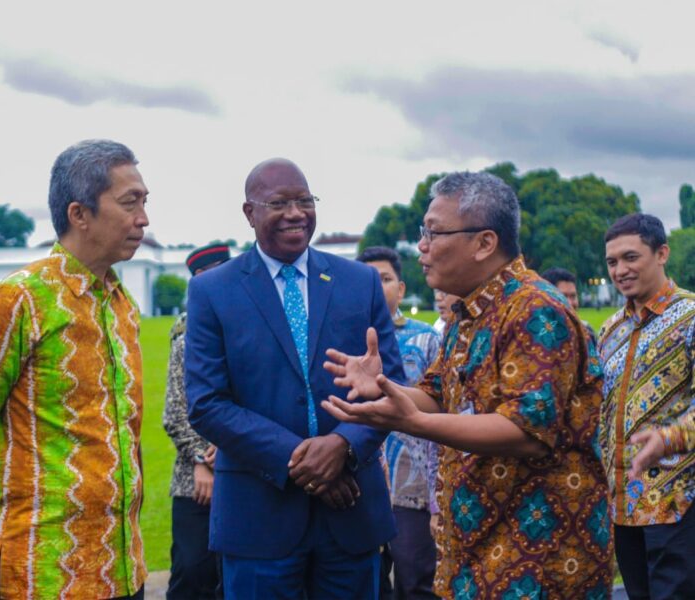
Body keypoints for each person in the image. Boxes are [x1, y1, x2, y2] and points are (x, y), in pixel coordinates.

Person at [323, 171, 612, 598]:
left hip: (538, 558)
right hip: (481, 549)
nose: (421, 246)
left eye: (434, 232)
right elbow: (439, 395)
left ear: (484, 243)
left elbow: (526, 430)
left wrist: (413, 421)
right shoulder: (470, 312)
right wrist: (385, 389)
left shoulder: (536, 310)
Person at [185, 158, 404, 599]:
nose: (295, 213)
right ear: (249, 213)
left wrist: (342, 447)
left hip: (351, 513)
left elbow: (391, 383)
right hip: (258, 516)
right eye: (279, 203)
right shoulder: (213, 290)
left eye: (305, 200)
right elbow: (206, 403)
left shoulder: (358, 281)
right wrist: (305, 462)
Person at [0, 139, 149, 599]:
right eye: (129, 202)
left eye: (144, 201)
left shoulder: (122, 305)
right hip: (37, 569)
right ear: (79, 214)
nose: (143, 218)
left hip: (120, 566)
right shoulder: (20, 299)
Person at [598, 213, 695, 598]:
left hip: (680, 501)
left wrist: (669, 438)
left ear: (662, 254)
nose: (620, 270)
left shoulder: (690, 317)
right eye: (612, 262)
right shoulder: (609, 330)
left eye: (631, 258)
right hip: (622, 505)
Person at [359, 246, 441, 600]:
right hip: (358, 482)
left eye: (385, 279)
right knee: (367, 583)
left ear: (402, 289)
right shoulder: (339, 339)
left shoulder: (427, 338)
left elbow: (445, 407)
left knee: (414, 580)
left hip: (414, 484)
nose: (376, 288)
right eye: (367, 281)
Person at [163, 242, 231, 600]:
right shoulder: (186, 337)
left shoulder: (250, 326)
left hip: (242, 466)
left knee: (236, 572)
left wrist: (229, 445)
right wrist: (204, 459)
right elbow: (176, 411)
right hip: (196, 478)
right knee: (192, 571)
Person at [541, 267, 597, 339]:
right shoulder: (536, 338)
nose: (570, 303)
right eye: (563, 297)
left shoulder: (588, 332)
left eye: (573, 296)